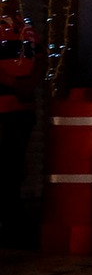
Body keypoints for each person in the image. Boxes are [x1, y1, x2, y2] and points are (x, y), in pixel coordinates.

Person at [0, 13, 38, 247]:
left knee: (14, 166)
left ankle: (13, 221)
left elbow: (40, 58)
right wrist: (15, 85)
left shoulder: (26, 26)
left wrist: (29, 85)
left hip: (22, 109)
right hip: (3, 107)